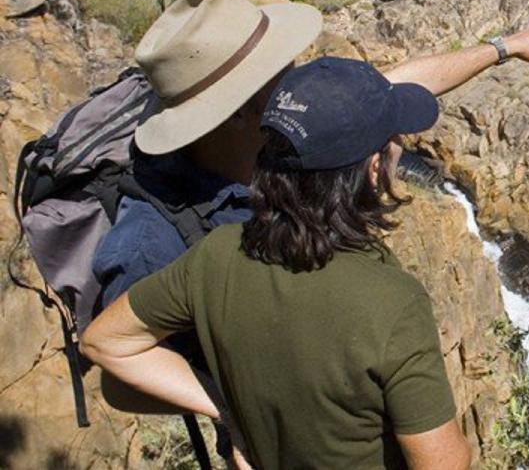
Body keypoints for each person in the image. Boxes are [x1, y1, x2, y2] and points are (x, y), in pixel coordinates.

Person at [90, 0, 529, 414]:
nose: (297, 78)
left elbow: (384, 91)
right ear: (236, 110)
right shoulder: (149, 240)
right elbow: (123, 382)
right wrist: (235, 411)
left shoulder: (272, 135)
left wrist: (504, 48)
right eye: (279, 71)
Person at [82, 57, 470, 469]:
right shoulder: (393, 303)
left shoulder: (216, 253)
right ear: (374, 171)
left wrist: (225, 406)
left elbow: (104, 341)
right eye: (395, 142)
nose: (400, 152)